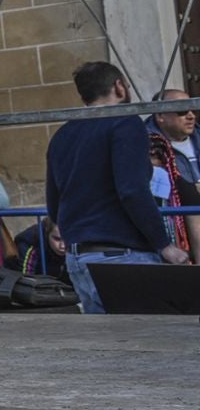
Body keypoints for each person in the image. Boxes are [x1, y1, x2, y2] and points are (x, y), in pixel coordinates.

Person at [45, 61, 189, 313]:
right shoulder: (125, 124)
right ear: (119, 87)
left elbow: (53, 204)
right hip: (122, 257)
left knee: (108, 346)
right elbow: (132, 190)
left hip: (79, 258)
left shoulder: (62, 135)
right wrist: (164, 244)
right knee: (143, 343)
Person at [146, 88, 199, 259]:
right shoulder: (150, 145)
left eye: (192, 108)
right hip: (175, 232)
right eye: (182, 111)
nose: (191, 115)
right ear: (161, 116)